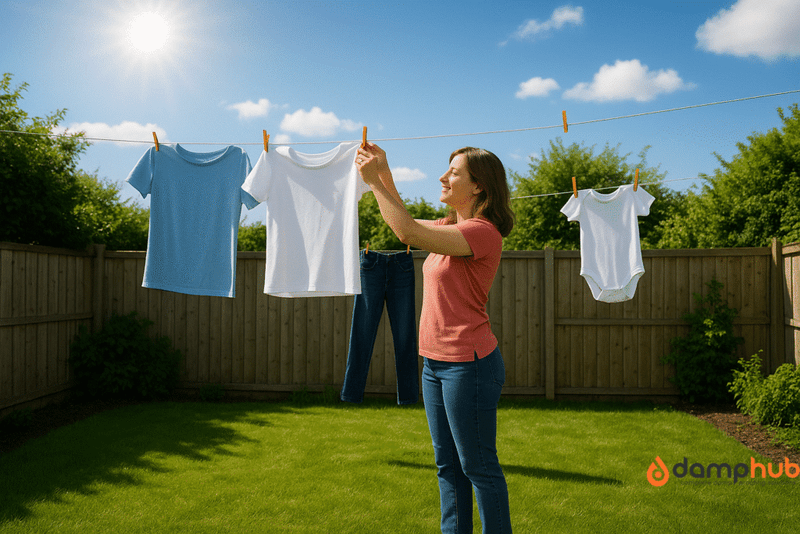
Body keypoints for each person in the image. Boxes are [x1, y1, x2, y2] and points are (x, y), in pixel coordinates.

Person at [355, 143, 514, 534]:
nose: (443, 177)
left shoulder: (482, 233)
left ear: (479, 187)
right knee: (448, 466)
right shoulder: (448, 228)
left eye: (454, 172)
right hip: (435, 366)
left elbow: (405, 230)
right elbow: (405, 219)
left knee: (478, 467)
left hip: (469, 366)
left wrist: (373, 181)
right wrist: (385, 169)